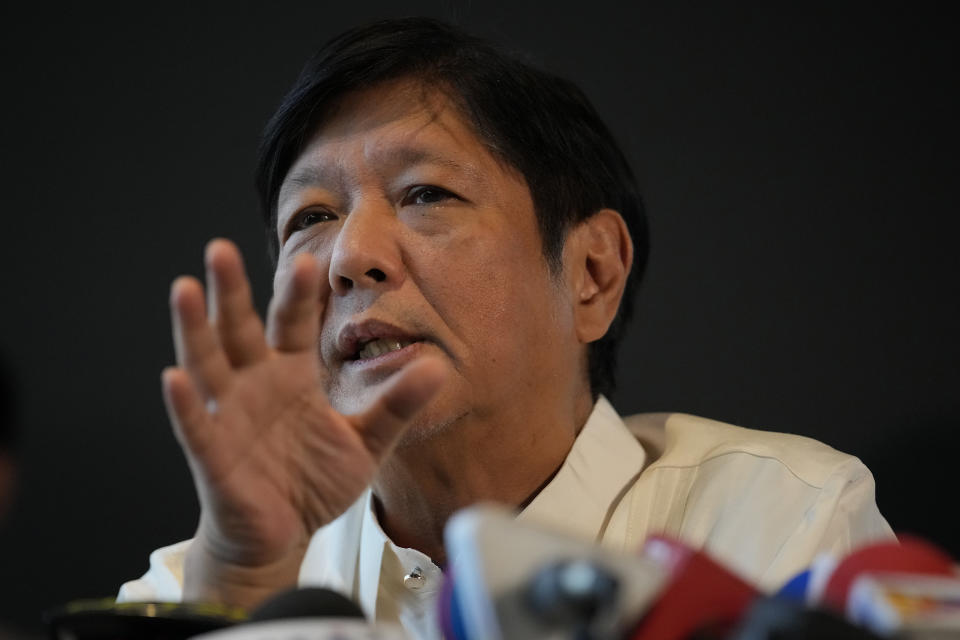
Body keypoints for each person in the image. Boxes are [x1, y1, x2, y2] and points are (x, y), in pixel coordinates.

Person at [118, 17, 894, 638]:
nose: (350, 257)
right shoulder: (204, 587)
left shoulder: (780, 528)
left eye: (425, 194)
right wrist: (247, 587)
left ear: (593, 274)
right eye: (312, 217)